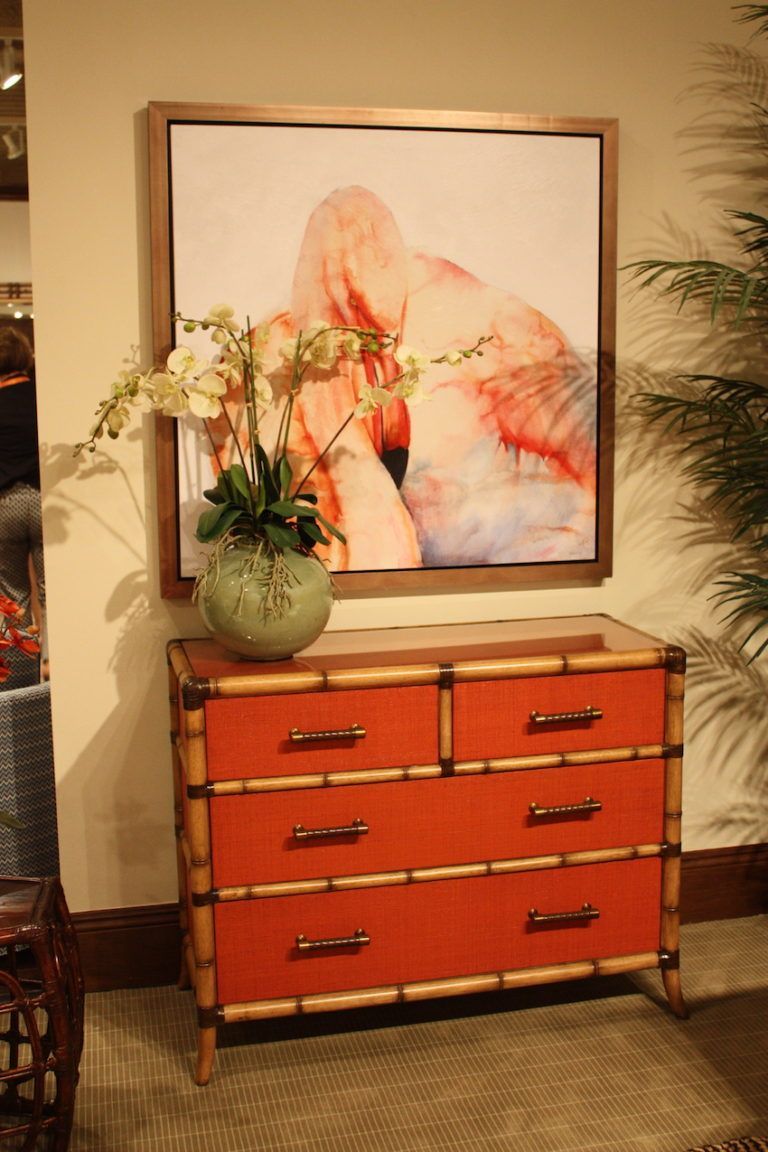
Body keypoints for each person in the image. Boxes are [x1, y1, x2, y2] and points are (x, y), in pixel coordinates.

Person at [0, 327, 45, 686]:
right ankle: (69, 692)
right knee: (56, 592)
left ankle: (21, 690)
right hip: (47, 500)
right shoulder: (43, 396)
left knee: (11, 601)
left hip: (4, 505)